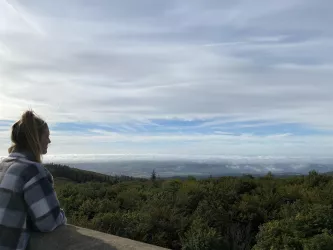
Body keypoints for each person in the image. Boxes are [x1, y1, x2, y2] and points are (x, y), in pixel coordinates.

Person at [0, 110, 66, 250]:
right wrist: (61, 215)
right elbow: (48, 222)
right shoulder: (32, 171)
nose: (49, 141)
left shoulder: (2, 165)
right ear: (36, 138)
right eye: (46, 136)